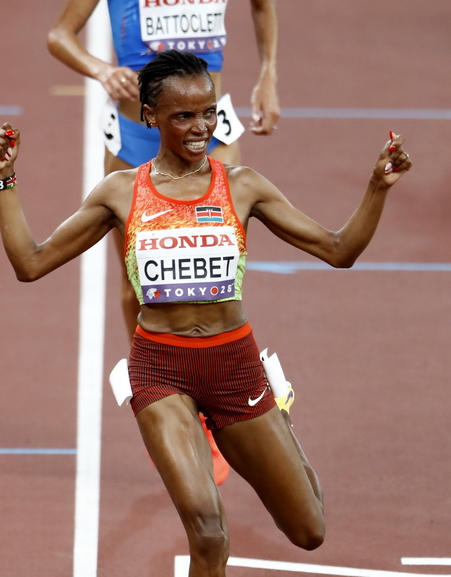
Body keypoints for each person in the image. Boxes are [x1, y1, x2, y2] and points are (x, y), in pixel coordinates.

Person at [0, 50, 411, 577]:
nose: (199, 127)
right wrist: (4, 178)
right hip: (160, 371)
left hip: (235, 366)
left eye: (208, 113)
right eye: (182, 115)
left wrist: (376, 186)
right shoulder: (120, 193)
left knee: (308, 530)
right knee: (208, 532)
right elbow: (29, 263)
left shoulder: (241, 185)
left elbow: (339, 250)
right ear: (148, 116)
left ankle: (279, 409)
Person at [47, 0, 280, 484]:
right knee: (137, 283)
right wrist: (101, 70)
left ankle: (218, 401)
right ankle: (161, 399)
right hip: (134, 137)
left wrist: (268, 74)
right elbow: (59, 36)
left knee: (219, 272)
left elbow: (262, 7)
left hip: (212, 134)